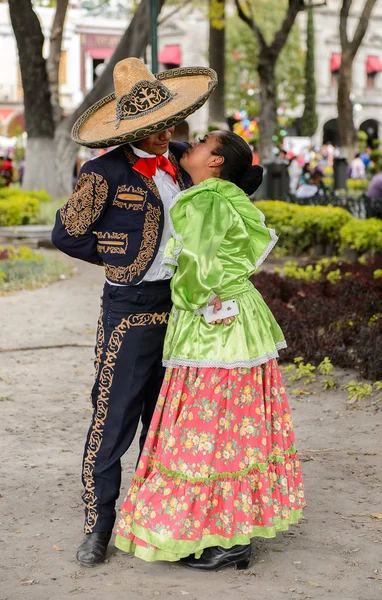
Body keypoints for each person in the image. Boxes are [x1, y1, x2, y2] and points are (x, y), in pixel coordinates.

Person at [51, 57, 217, 567]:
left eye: (169, 124)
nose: (166, 134)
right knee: (113, 418)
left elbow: (238, 176)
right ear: (131, 131)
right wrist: (116, 256)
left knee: (168, 423)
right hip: (127, 309)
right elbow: (65, 234)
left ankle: (157, 522)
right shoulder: (102, 172)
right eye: (153, 129)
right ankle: (98, 526)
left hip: (182, 308)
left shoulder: (185, 161)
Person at [115, 131, 305, 570]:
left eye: (201, 141)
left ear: (216, 161)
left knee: (206, 431)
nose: (190, 145)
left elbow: (196, 269)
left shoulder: (204, 199)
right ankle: (234, 531)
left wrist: (188, 300)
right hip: (243, 321)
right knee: (236, 429)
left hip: (214, 327)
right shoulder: (229, 197)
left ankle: (224, 538)